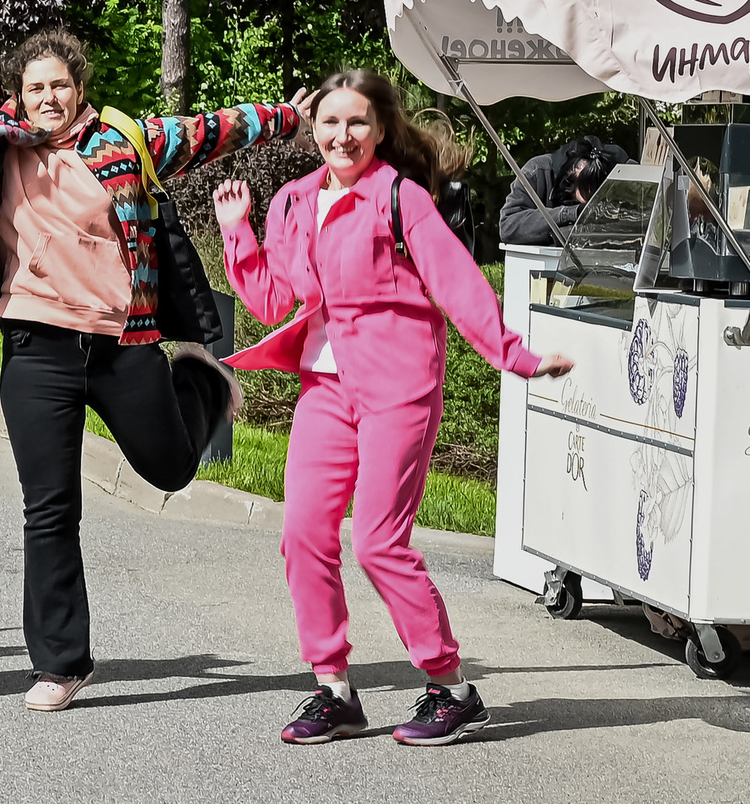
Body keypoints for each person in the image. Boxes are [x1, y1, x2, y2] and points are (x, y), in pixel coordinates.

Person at [0, 0, 301, 712]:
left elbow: (211, 129)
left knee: (171, 468)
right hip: (36, 348)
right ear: (18, 96)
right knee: (50, 507)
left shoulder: (127, 139)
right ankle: (60, 662)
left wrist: (287, 118)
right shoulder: (2, 137)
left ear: (79, 87)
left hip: (125, 346)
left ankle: (199, 384)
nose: (47, 99)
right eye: (34, 88)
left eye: (59, 86)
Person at [215, 68, 574, 747]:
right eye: (329, 121)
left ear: (380, 129)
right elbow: (271, 302)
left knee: (379, 542)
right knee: (304, 535)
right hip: (325, 389)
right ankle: (335, 691)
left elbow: (457, 282)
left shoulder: (399, 197)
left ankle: (452, 688)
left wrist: (516, 356)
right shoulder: (292, 203)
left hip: (398, 387)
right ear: (312, 128)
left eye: (357, 121)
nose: (342, 134)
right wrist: (238, 232)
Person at [496, 133, 630, 246]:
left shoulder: (617, 169)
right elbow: (508, 227)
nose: (571, 189)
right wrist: (571, 213)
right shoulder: (536, 172)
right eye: (571, 182)